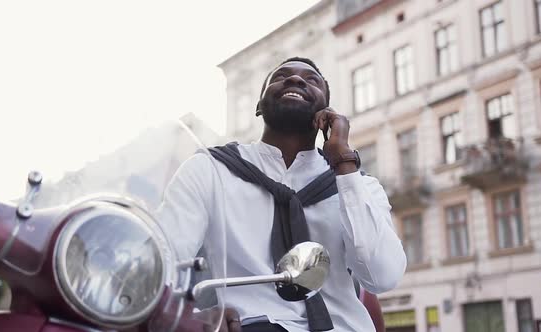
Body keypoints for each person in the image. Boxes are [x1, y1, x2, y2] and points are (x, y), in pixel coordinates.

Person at [157, 57, 406, 332]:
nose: (295, 80)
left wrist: (344, 164)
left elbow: (382, 276)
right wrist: (188, 316)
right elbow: (164, 261)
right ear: (258, 106)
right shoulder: (209, 170)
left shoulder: (361, 187)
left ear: (326, 112)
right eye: (280, 77)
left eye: (311, 80)